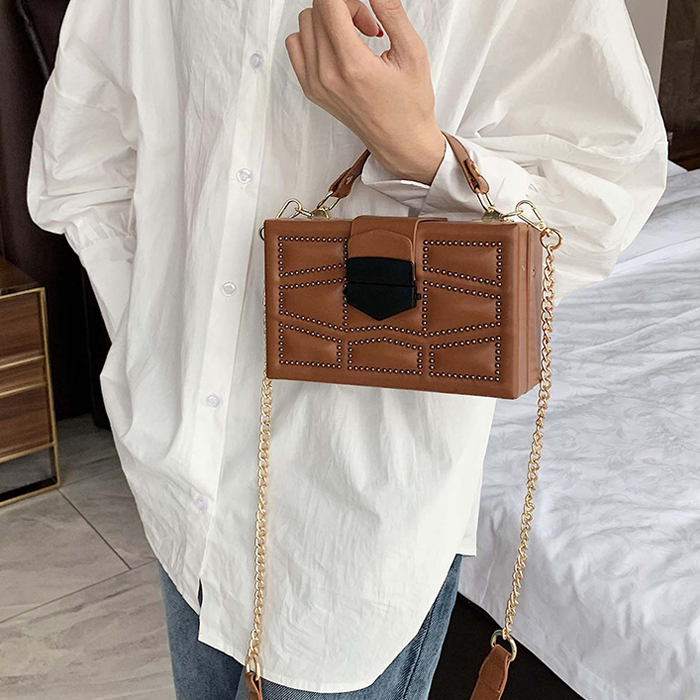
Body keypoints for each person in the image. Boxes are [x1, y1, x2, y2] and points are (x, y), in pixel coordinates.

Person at [26, 0, 667, 698]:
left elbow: (601, 198)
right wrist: (148, 345)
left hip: (354, 532)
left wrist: (417, 151)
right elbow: (88, 154)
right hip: (183, 489)